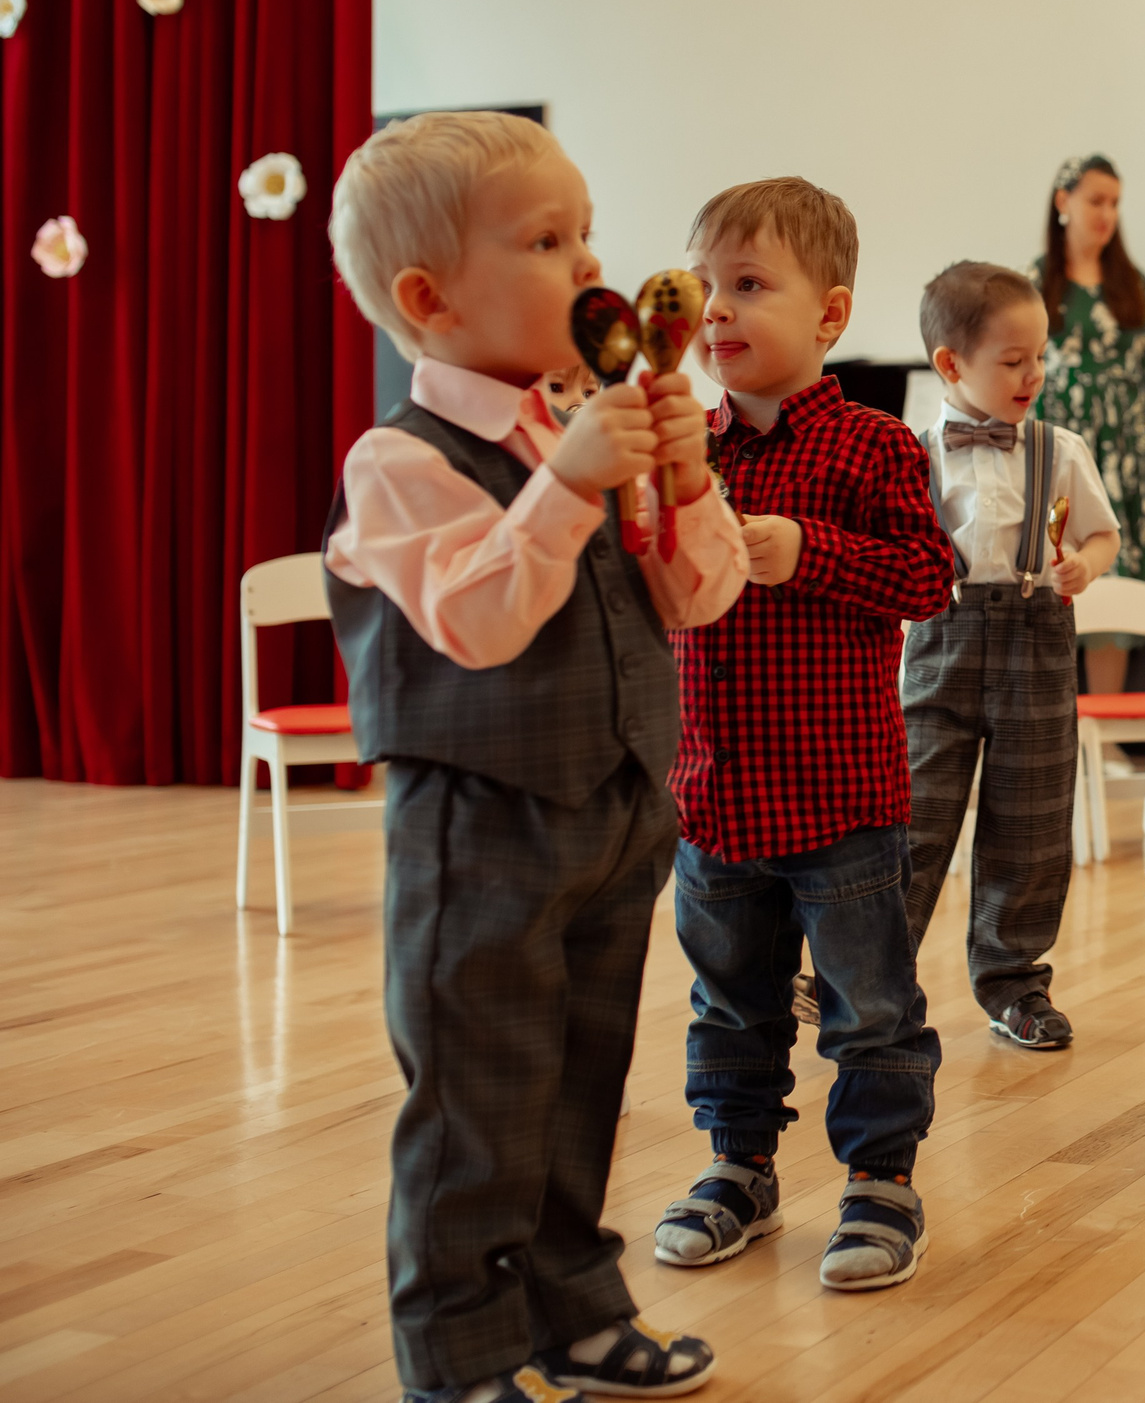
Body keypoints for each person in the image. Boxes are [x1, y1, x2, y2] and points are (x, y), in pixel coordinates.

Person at [322, 110, 747, 1403]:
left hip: (611, 817)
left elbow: (698, 595)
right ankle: (459, 1351)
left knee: (577, 1081)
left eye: (588, 234)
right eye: (546, 238)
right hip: (483, 833)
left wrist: (685, 476)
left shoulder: (584, 426)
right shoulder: (400, 457)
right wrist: (565, 483)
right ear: (427, 296)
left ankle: (569, 1306)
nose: (586, 265)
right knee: (474, 1106)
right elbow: (479, 618)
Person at [642, 178, 954, 1293]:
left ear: (828, 315)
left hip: (841, 804)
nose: (717, 312)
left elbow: (928, 578)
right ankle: (739, 1166)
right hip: (713, 798)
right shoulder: (684, 450)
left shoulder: (873, 447)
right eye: (704, 288)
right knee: (729, 1004)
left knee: (870, 1012)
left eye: (748, 286)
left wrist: (804, 550)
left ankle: (880, 1179)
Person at [902, 261, 1122, 1050]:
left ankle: (1013, 981)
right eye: (1012, 359)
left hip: (1035, 636)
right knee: (915, 814)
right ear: (951, 365)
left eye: (1039, 356)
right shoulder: (910, 451)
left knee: (1028, 822)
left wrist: (1084, 567)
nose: (1033, 373)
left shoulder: (1058, 448)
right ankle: (873, 976)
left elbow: (1102, 532)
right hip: (942, 640)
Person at [1036, 153, 1145, 701]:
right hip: (1061, 448)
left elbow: (1143, 375)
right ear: (1064, 202)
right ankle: (1064, 725)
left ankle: (1107, 729)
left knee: (1119, 580)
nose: (1106, 213)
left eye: (1114, 203)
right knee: (1058, 572)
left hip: (1125, 457)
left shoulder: (1133, 284)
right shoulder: (1033, 283)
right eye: (1095, 200)